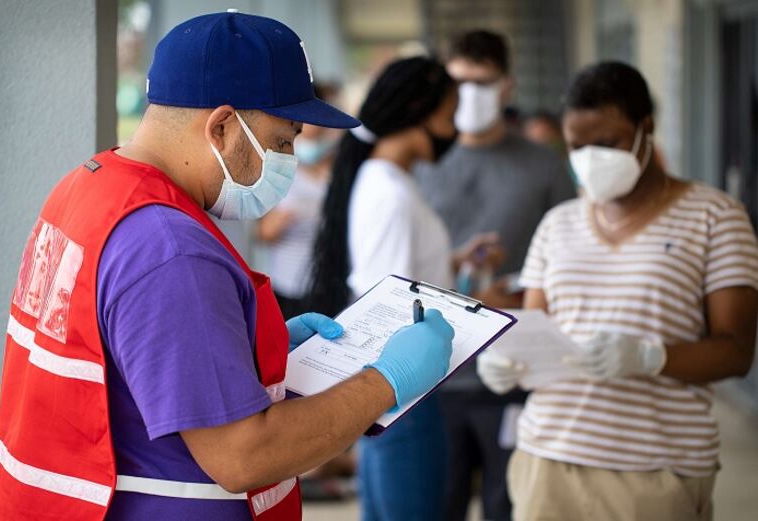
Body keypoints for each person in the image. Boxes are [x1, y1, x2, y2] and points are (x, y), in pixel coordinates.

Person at [0, 12, 456, 521]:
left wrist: (248, 342)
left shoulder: (88, 187)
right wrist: (387, 379)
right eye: (284, 139)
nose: (290, 156)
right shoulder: (172, 249)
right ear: (223, 126)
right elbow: (244, 456)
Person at [477, 61, 758, 521]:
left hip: (656, 471)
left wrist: (651, 357)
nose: (590, 158)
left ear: (646, 129)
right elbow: (532, 329)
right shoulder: (558, 224)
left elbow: (736, 352)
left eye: (606, 143)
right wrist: (507, 364)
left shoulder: (715, 217)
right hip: (547, 457)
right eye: (576, 146)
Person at [307, 55, 495, 521]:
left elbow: (401, 277)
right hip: (405, 394)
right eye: (449, 115)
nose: (454, 130)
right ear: (417, 110)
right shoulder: (387, 189)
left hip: (405, 393)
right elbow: (387, 301)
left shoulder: (389, 182)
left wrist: (451, 266)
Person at [414, 30, 576, 521]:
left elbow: (571, 263)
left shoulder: (543, 166)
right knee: (437, 504)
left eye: (482, 83)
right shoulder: (420, 162)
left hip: (515, 370)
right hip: (431, 373)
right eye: (458, 83)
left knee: (511, 504)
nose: (469, 96)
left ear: (507, 86)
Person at [256, 84, 342, 319]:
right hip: (290, 286)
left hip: (327, 283)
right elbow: (263, 232)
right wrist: (279, 222)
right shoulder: (280, 170)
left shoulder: (337, 166)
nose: (310, 128)